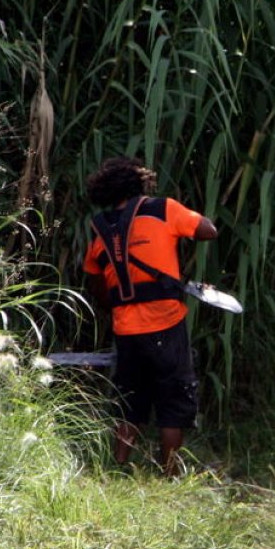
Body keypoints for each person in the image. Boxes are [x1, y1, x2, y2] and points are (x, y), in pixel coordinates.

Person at [83, 157, 219, 474]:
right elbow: (208, 230)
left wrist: (119, 308)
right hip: (167, 321)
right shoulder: (163, 209)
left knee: (131, 399)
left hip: (125, 327)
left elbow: (97, 284)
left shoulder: (99, 228)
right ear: (139, 183)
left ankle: (117, 467)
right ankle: (168, 471)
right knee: (174, 397)